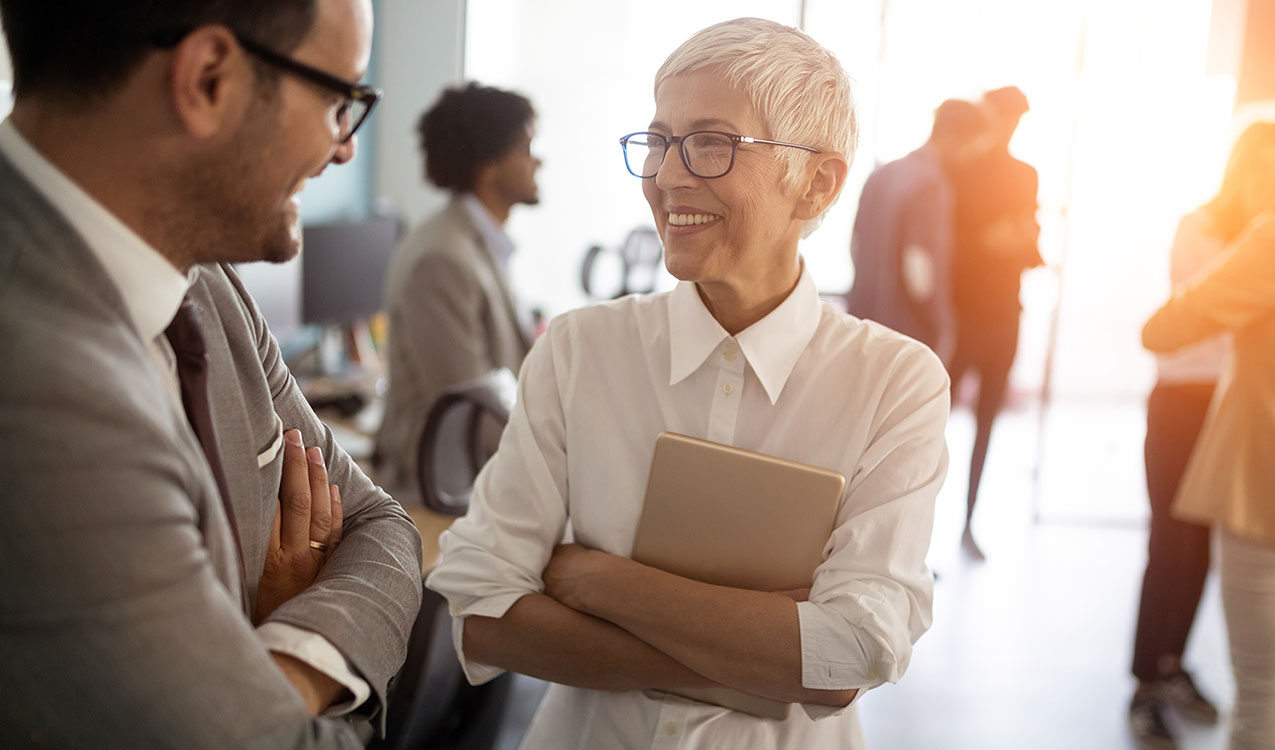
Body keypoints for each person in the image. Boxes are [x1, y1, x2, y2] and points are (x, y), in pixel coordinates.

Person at [426, 17, 949, 749]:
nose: (667, 176)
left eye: (710, 144)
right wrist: (762, 655)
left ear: (815, 182)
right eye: (660, 142)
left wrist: (600, 585)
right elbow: (480, 610)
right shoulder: (580, 350)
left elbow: (851, 652)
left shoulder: (893, 381)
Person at [0, 2, 423, 747]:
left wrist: (285, 661)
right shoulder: (37, 387)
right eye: (337, 100)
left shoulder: (208, 282)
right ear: (207, 79)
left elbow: (381, 524)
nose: (343, 150)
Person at [1126, 124, 1275, 749]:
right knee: (1175, 548)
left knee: (1204, 560)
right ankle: (1149, 677)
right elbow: (1166, 329)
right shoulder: (1207, 227)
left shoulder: (1263, 239)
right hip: (1190, 407)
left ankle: (1172, 668)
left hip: (1237, 421)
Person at [375, 82, 540, 504]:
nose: (537, 160)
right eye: (525, 147)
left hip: (480, 478)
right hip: (441, 493)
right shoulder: (442, 259)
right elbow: (475, 414)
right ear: (487, 165)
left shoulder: (479, 244)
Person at [945, 86, 1044, 559]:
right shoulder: (959, 169)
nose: (1010, 128)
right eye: (1006, 117)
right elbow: (953, 246)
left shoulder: (1026, 175)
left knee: (987, 423)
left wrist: (1009, 240)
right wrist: (991, 241)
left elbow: (1032, 243)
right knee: (929, 422)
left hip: (1006, 316)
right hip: (963, 316)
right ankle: (913, 530)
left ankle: (968, 523)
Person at [845, 97, 989, 363]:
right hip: (904, 337)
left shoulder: (881, 175)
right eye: (972, 146)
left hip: (860, 325)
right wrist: (941, 328)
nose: (972, 158)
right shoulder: (932, 185)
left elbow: (855, 246)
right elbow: (919, 270)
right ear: (953, 136)